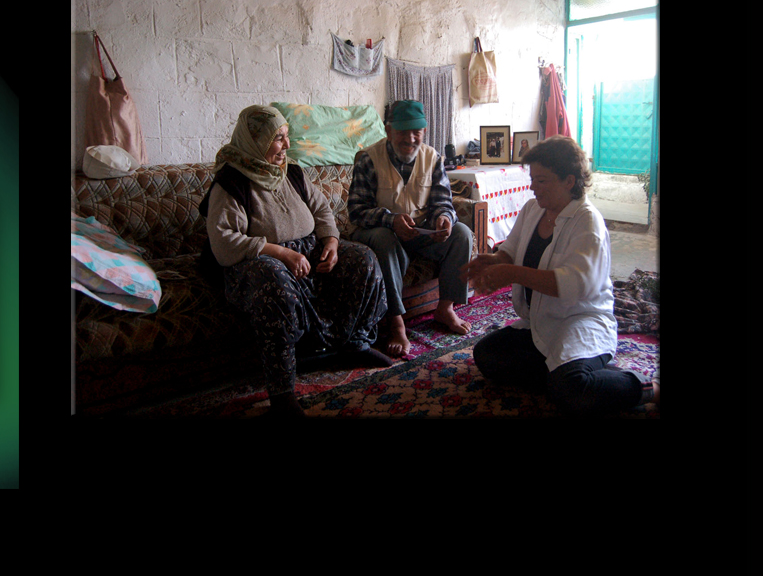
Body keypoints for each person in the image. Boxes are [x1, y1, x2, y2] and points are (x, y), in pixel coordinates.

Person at [200, 105, 390, 417]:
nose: (287, 145)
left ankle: (355, 344)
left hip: (307, 253)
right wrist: (281, 253)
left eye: (287, 136)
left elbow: (322, 211)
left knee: (364, 260)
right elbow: (223, 242)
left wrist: (331, 242)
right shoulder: (231, 182)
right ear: (254, 141)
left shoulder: (291, 172)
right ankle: (282, 391)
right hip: (259, 263)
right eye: (278, 139)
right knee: (273, 282)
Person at [460, 135, 659, 416]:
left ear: (569, 181)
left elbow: (573, 285)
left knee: (572, 388)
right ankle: (564, 376)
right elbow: (511, 253)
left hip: (580, 321)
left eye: (541, 181)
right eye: (532, 179)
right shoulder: (533, 209)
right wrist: (492, 262)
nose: (532, 187)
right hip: (541, 322)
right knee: (486, 356)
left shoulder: (587, 221)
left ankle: (647, 388)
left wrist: (510, 273)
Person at [348, 100, 473, 357]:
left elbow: (443, 202)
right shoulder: (368, 160)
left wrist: (444, 219)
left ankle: (445, 308)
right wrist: (390, 220)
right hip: (381, 233)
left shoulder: (433, 158)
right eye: (403, 131)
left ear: (424, 132)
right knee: (384, 239)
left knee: (461, 233)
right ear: (388, 131)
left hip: (419, 233)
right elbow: (356, 211)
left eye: (416, 131)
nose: (410, 138)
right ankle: (397, 324)